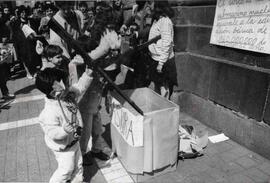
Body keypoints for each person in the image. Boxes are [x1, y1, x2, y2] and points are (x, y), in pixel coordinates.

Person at [36, 67, 93, 183]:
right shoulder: (49, 111)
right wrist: (63, 131)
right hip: (64, 148)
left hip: (74, 142)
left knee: (78, 166)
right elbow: (51, 132)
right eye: (64, 85)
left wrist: (87, 75)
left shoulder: (66, 94)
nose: (68, 87)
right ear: (53, 91)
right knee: (66, 170)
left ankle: (77, 181)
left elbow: (79, 88)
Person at [148, 0, 177, 99]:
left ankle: (165, 110)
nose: (149, 5)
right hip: (156, 58)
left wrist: (161, 63)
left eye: (150, 2)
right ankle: (159, 108)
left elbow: (167, 43)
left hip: (163, 60)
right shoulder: (157, 19)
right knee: (158, 85)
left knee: (163, 88)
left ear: (158, 4)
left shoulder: (165, 21)